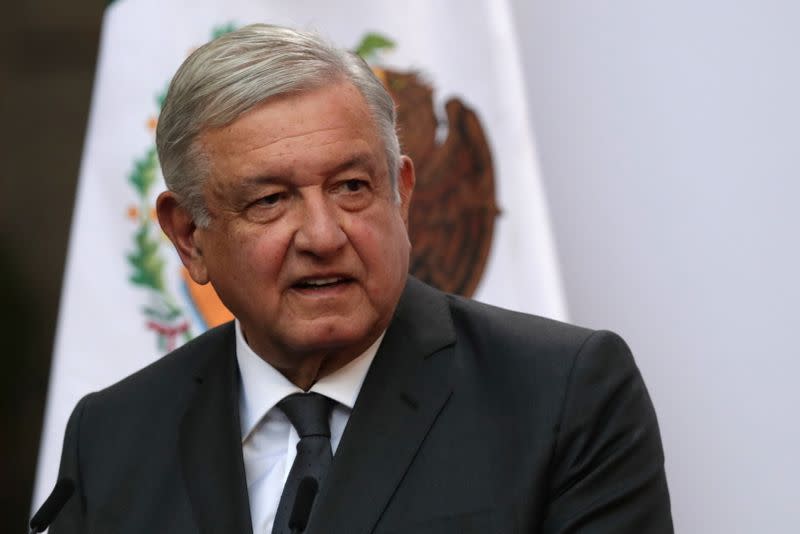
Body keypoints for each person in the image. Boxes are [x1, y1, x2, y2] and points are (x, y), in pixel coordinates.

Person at [50, 24, 672, 533]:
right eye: (270, 200)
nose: (323, 236)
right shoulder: (113, 436)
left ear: (401, 195)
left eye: (351, 187)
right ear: (188, 235)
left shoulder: (562, 395)